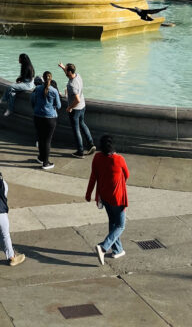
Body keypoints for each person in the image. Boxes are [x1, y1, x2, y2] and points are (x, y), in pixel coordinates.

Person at [86, 135, 130, 263]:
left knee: (112, 222)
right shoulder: (119, 159)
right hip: (117, 198)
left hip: (104, 196)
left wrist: (89, 194)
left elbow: (93, 177)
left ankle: (118, 250)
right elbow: (127, 175)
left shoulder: (97, 157)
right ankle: (104, 247)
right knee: (121, 225)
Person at [58, 61, 95, 158]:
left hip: (75, 109)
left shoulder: (72, 85)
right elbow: (68, 73)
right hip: (83, 106)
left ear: (69, 72)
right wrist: (62, 67)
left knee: (76, 130)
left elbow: (77, 100)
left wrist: (69, 107)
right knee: (82, 123)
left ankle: (80, 151)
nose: (65, 71)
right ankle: (91, 144)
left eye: (66, 70)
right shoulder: (78, 76)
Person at [30, 70, 61, 170]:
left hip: (37, 116)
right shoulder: (54, 91)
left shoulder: (37, 88)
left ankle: (41, 157)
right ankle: (46, 163)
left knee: (40, 138)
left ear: (43, 79)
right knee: (47, 141)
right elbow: (59, 105)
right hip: (50, 118)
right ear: (51, 79)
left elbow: (33, 100)